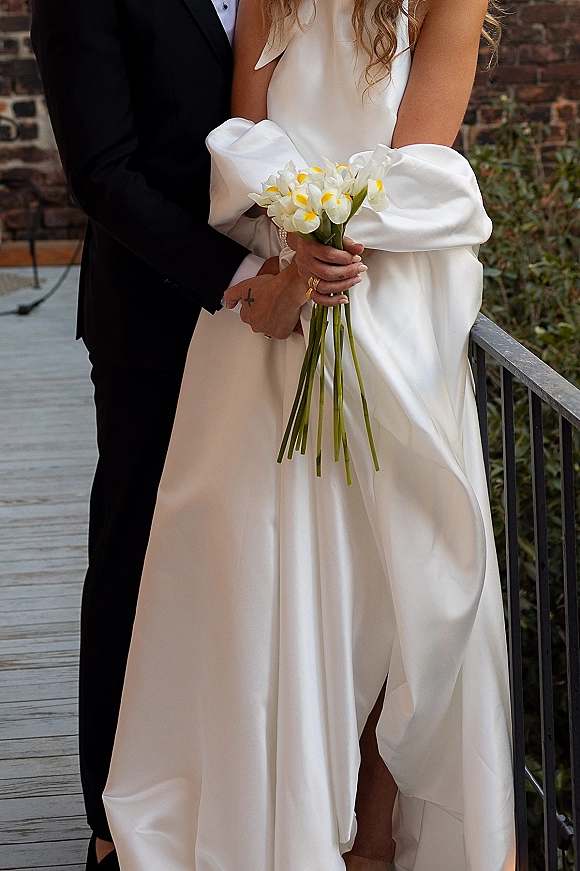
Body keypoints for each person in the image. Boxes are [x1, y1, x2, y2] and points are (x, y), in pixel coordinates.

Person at [103, 0, 516, 869]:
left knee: (400, 585)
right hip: (271, 314)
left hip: (395, 306)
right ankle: (278, 826)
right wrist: (290, 261)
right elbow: (245, 133)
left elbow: (421, 164)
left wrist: (322, 247)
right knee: (263, 574)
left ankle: (372, 842)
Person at [29, 1, 359, 868]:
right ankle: (111, 815)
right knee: (136, 558)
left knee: (250, 559)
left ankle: (232, 789)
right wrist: (241, 275)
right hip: (158, 323)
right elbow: (102, 172)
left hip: (287, 328)